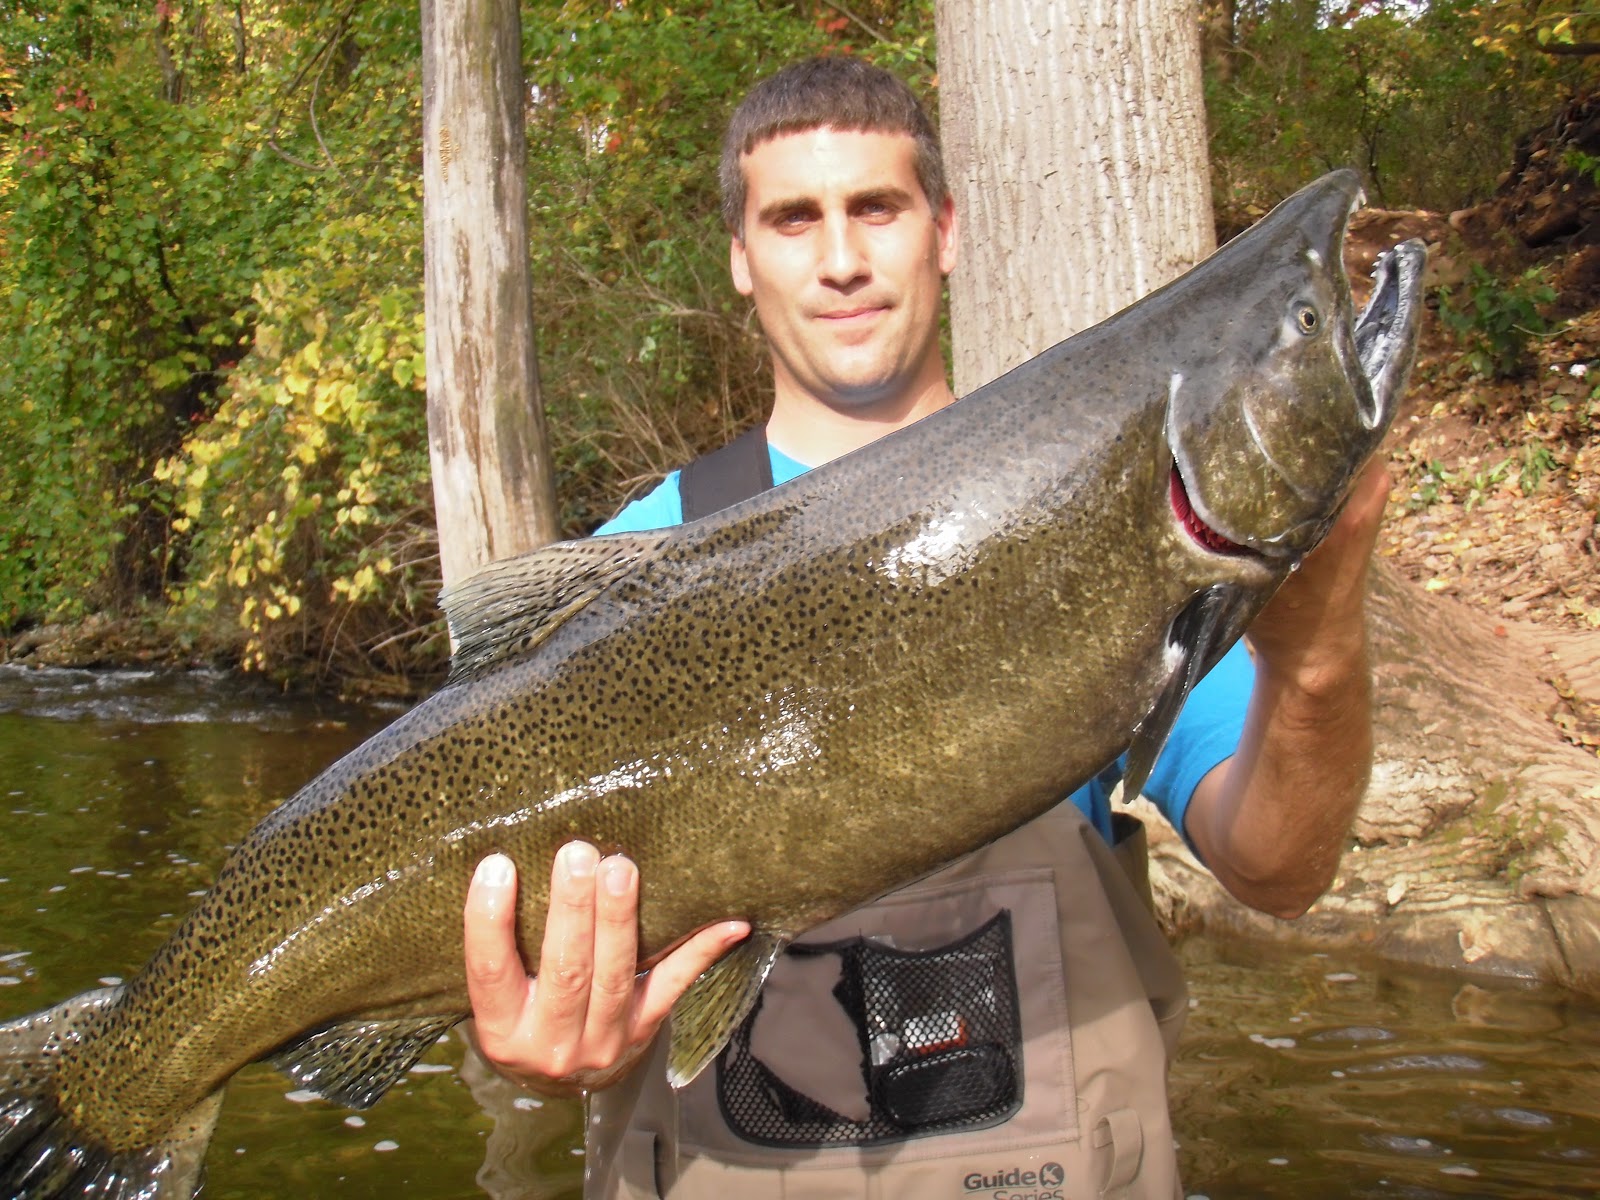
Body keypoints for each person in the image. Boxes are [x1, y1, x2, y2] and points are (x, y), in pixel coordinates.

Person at [459, 56, 1390, 1198]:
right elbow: (502, 967)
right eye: (795, 220)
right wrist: (541, 1053)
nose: (842, 259)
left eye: (877, 209)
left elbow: (1281, 868)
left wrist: (1318, 650)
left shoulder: (1102, 499)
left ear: (943, 230)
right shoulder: (628, 568)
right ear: (742, 261)